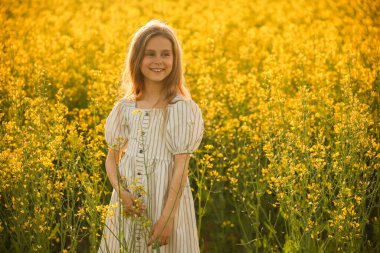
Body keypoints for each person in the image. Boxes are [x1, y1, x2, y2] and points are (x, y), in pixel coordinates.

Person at [98, 19, 204, 253]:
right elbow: (111, 159)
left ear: (175, 60)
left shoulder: (181, 108)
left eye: (166, 54)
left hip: (166, 204)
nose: (158, 61)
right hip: (128, 204)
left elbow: (180, 168)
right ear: (137, 59)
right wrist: (121, 192)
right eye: (150, 54)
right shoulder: (124, 107)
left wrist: (167, 218)